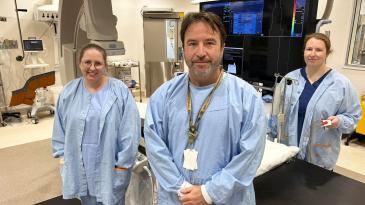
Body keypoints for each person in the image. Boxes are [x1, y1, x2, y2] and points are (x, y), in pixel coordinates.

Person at [144, 12, 266, 204]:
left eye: (209, 43)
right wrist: (181, 189)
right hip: (177, 199)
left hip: (227, 199)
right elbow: (155, 149)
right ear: (183, 48)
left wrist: (210, 193)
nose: (201, 52)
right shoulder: (163, 96)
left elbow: (250, 156)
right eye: (192, 43)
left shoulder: (246, 98)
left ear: (222, 48)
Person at [52, 43, 140, 205]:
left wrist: (122, 165)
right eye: (87, 62)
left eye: (98, 63)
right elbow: (60, 128)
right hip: (80, 167)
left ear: (105, 65)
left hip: (111, 169)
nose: (92, 68)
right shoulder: (69, 92)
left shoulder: (120, 91)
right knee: (87, 200)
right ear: (80, 64)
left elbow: (130, 133)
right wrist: (62, 157)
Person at [269, 33, 361, 170]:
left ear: (327, 53)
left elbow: (353, 116)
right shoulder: (289, 80)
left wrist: (339, 121)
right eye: (309, 49)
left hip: (320, 155)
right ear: (304, 51)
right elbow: (276, 115)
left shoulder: (341, 84)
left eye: (318, 50)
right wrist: (270, 140)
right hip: (288, 153)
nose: (313, 54)